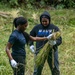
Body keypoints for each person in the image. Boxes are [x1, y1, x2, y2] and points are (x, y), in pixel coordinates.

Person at [29, 11, 62, 75]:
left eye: (46, 21)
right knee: (37, 69)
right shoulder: (36, 28)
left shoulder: (54, 28)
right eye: (42, 21)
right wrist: (31, 45)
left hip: (52, 51)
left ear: (49, 20)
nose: (44, 23)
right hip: (40, 51)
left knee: (55, 69)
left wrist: (55, 42)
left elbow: (60, 40)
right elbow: (30, 37)